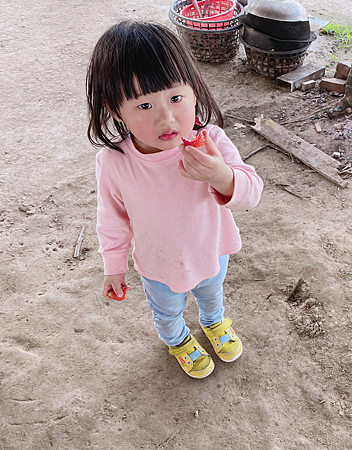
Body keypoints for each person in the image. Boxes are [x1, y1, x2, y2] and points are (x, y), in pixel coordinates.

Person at [86, 21, 263, 379]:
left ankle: (213, 323)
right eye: (145, 105)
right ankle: (178, 339)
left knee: (212, 296)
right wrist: (113, 266)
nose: (166, 118)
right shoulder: (115, 162)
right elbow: (112, 219)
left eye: (176, 98)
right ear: (115, 109)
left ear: (194, 91)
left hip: (212, 250)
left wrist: (219, 175)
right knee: (167, 310)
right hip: (159, 265)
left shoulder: (210, 140)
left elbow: (250, 193)